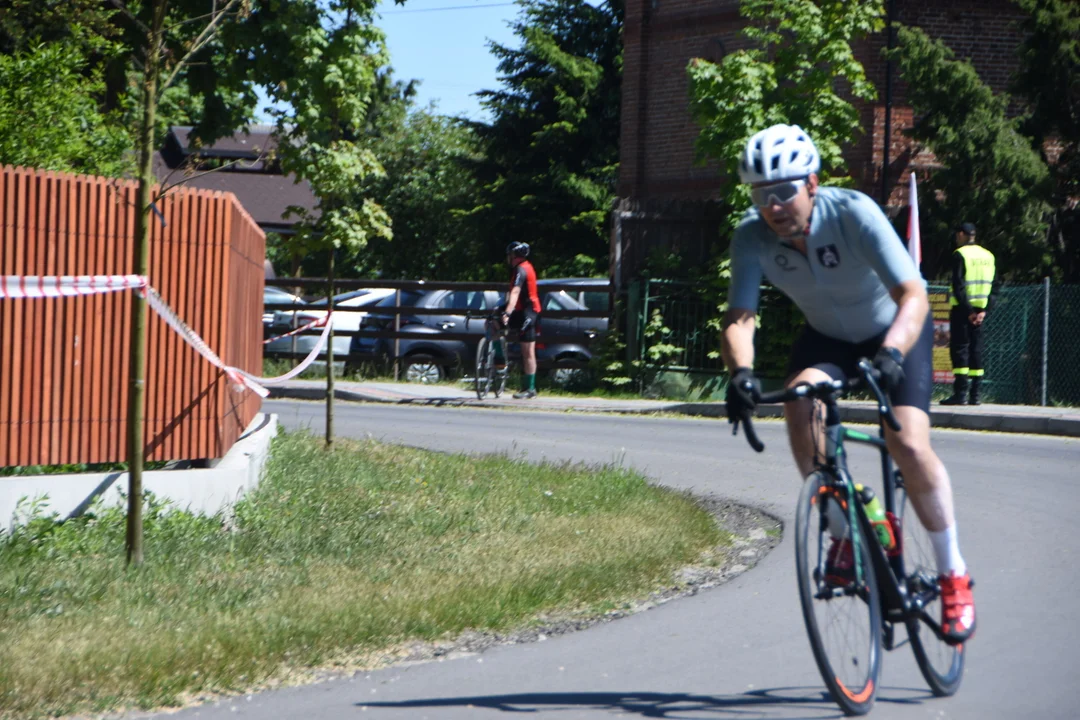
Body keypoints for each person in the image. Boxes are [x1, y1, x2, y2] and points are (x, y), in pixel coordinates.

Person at [722, 124, 976, 645]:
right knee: (799, 403)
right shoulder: (751, 236)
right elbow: (740, 317)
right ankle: (844, 535)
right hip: (828, 338)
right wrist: (740, 375)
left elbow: (913, 294)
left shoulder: (853, 212)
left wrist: (891, 353)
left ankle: (953, 574)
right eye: (760, 194)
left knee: (905, 439)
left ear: (812, 183)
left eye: (783, 191)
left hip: (897, 330)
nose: (772, 205)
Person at [941, 222, 996, 406]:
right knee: (976, 351)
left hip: (962, 312)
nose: (957, 238)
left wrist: (968, 311)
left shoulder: (960, 255)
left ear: (963, 234)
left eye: (958, 235)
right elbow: (995, 287)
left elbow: (958, 286)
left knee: (960, 350)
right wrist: (983, 311)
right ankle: (975, 395)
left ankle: (960, 394)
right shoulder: (988, 256)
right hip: (980, 313)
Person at [502, 241, 541, 399]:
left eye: (509, 255)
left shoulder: (521, 270)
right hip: (520, 309)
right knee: (492, 321)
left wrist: (507, 312)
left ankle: (529, 388)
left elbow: (516, 292)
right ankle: (497, 360)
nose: (508, 258)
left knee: (528, 351)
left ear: (514, 256)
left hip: (528, 313)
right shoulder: (524, 267)